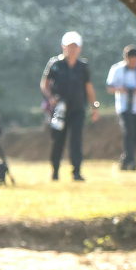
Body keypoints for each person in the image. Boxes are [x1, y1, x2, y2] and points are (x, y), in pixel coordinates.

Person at [42, 31, 99, 182]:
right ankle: (55, 171)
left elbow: (88, 87)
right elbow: (45, 84)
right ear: (63, 47)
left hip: (78, 109)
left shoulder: (83, 66)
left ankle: (77, 171)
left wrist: (94, 106)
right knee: (58, 140)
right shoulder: (56, 65)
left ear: (79, 48)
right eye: (69, 46)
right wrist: (50, 97)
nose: (72, 50)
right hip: (59, 110)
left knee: (76, 140)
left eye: (75, 47)